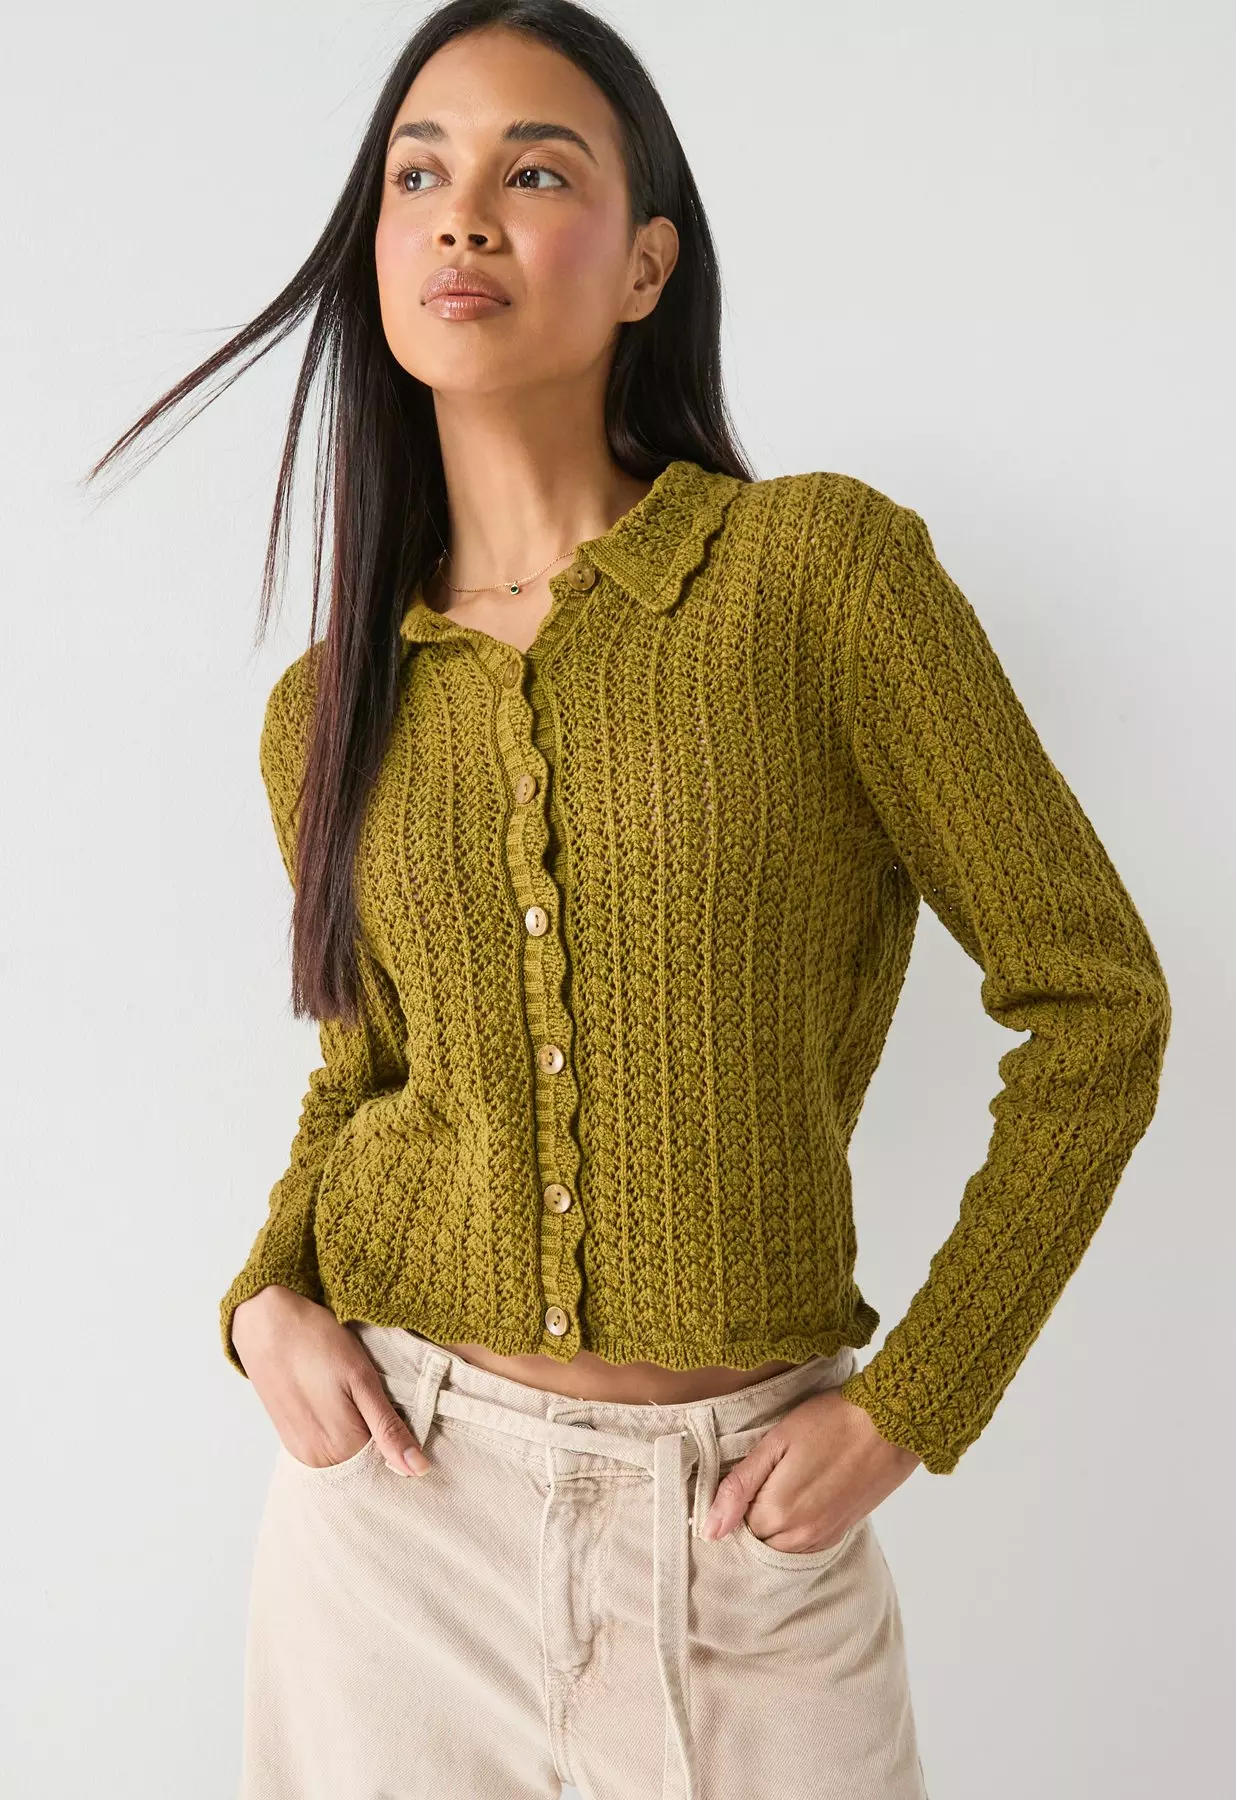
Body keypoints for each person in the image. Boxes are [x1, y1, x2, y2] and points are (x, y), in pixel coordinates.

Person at [89, 3, 1172, 1795]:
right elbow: (367, 1078)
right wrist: (262, 1298)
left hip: (748, 1537)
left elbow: (1096, 1006)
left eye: (535, 173)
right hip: (394, 1529)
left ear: (647, 264)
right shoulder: (327, 709)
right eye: (416, 176)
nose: (462, 214)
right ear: (376, 254)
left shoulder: (815, 577)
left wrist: (915, 1403)